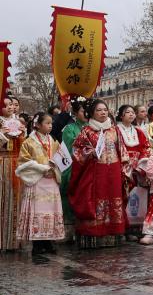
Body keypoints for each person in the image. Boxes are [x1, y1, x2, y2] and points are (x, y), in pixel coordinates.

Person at [69, 99, 131, 249]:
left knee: (114, 197)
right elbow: (77, 151)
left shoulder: (114, 130)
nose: (103, 112)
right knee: (97, 198)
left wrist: (125, 168)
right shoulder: (87, 131)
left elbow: (122, 150)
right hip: (96, 172)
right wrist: (89, 153)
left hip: (114, 170)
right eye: (99, 110)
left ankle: (113, 233)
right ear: (92, 113)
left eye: (105, 109)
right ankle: (95, 233)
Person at [15, 113, 65, 254]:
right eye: (47, 123)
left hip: (51, 180)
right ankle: (37, 243)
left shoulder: (53, 141)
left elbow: (59, 157)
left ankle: (49, 241)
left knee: (51, 211)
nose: (50, 126)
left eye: (51, 123)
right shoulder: (28, 142)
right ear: (37, 125)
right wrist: (41, 168)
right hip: (37, 180)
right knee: (37, 211)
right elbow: (23, 162)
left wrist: (55, 166)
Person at [116, 104, 152, 241]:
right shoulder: (116, 131)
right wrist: (126, 165)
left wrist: (141, 164)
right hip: (122, 169)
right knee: (123, 198)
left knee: (138, 198)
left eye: (132, 112)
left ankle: (135, 229)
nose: (131, 114)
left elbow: (146, 148)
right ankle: (123, 229)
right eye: (127, 112)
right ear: (121, 115)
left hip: (137, 169)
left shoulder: (139, 131)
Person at [60, 96, 89, 241]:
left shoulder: (94, 127)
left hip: (90, 168)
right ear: (76, 113)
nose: (86, 114)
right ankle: (69, 227)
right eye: (84, 111)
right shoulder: (69, 129)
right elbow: (68, 149)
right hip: (75, 167)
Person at [1, 95, 25, 251]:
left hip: (16, 163)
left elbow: (26, 147)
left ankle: (14, 241)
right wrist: (2, 135)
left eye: (12, 104)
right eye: (7, 105)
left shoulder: (19, 122)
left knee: (16, 199)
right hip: (2, 162)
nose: (11, 107)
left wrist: (23, 134)